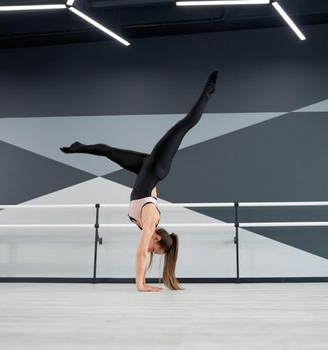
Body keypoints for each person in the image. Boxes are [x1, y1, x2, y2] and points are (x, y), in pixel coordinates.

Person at [61, 71, 217, 292]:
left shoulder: (147, 220)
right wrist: (140, 284)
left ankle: (77, 147)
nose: (150, 250)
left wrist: (150, 183)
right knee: (184, 125)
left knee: (109, 152)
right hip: (155, 167)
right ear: (156, 238)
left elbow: (150, 193)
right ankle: (210, 88)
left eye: (154, 252)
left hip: (145, 169)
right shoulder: (151, 220)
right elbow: (141, 252)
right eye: (156, 249)